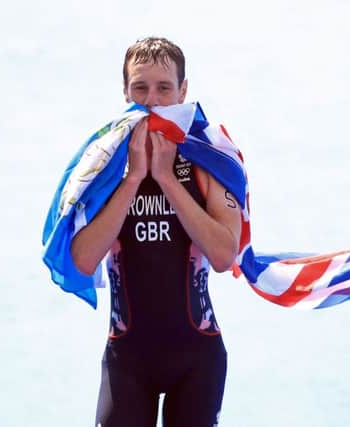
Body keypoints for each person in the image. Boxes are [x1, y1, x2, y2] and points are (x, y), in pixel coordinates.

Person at [70, 37, 242, 427]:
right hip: (127, 359)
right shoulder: (105, 165)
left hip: (197, 356)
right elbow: (82, 260)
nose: (152, 99)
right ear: (125, 90)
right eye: (140, 87)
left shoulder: (208, 159)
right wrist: (133, 181)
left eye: (164, 88)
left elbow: (222, 256)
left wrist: (166, 178)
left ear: (183, 90)